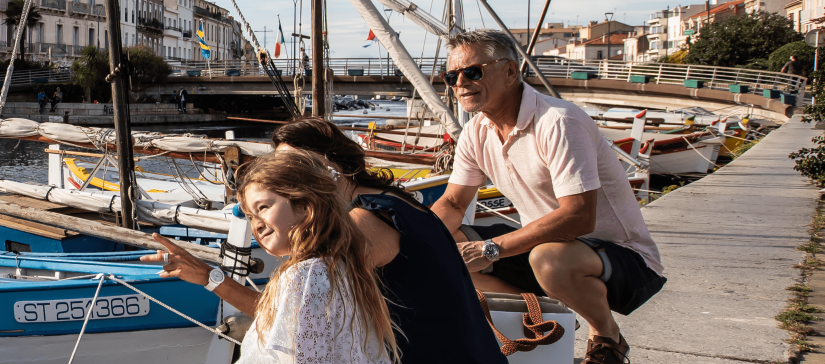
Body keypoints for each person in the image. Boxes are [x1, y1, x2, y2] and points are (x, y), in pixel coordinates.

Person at [428, 29, 665, 364]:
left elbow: (579, 216)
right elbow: (452, 204)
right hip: (543, 247)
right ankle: (541, 317)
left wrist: (490, 249)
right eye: (451, 76)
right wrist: (419, 243)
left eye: (473, 71)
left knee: (548, 260)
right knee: (443, 243)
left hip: (622, 259)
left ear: (510, 71)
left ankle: (606, 335)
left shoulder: (559, 122)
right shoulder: (476, 131)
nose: (460, 83)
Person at [265, 118, 510, 363]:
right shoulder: (396, 201)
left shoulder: (365, 221)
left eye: (296, 166)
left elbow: (301, 313)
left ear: (331, 162)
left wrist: (225, 283)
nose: (287, 178)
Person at [147, 150, 397, 363]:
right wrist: (207, 276)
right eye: (251, 216)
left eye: (264, 207)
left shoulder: (304, 275)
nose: (257, 224)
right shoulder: (338, 266)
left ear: (305, 206)